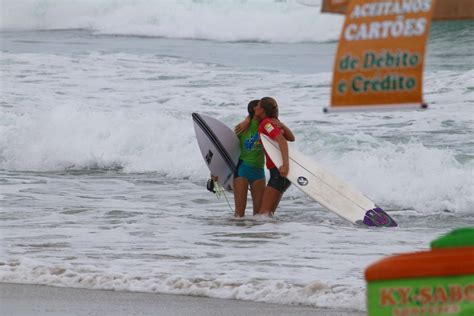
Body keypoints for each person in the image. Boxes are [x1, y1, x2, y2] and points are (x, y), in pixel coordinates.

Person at [253, 97, 294, 215]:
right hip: (280, 174)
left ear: (263, 110)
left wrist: (285, 165)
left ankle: (268, 233)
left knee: (263, 215)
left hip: (278, 172)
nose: (256, 107)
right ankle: (275, 233)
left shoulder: (266, 124)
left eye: (258, 105)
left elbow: (283, 140)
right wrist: (282, 125)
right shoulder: (272, 122)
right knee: (268, 214)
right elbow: (291, 137)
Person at [232, 100, 266, 217]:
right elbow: (228, 149)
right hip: (243, 170)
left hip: (259, 171)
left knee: (259, 216)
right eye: (261, 106)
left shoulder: (266, 126)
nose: (264, 108)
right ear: (254, 109)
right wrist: (215, 170)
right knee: (239, 215)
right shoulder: (242, 127)